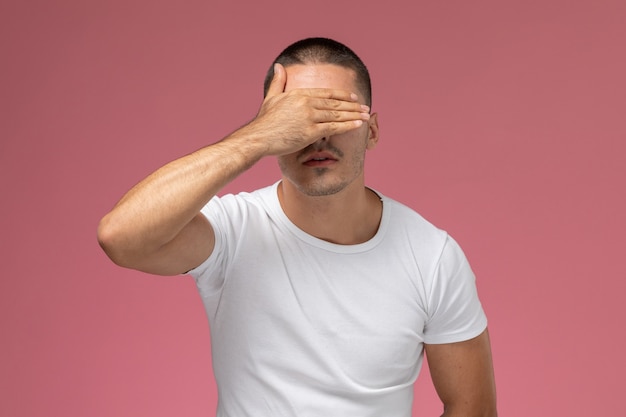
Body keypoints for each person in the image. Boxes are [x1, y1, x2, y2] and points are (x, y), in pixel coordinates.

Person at [98, 37, 497, 417]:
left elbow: (473, 408)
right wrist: (257, 135)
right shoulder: (234, 231)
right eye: (300, 117)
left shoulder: (431, 256)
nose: (317, 134)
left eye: (336, 113)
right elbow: (121, 238)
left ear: (371, 131)